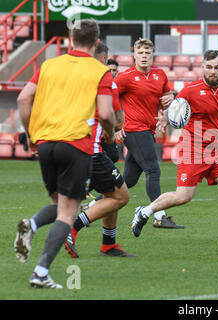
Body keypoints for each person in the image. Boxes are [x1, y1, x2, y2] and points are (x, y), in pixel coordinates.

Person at [14, 19, 115, 288]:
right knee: (67, 214)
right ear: (96, 43)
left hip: (46, 143)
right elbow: (105, 112)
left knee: (61, 204)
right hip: (75, 144)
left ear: (71, 40)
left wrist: (32, 135)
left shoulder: (49, 64)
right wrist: (111, 132)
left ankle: (32, 225)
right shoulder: (99, 70)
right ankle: (40, 272)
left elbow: (23, 98)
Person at [130, 49, 218, 246]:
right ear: (202, 67)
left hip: (215, 150)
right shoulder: (190, 90)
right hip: (192, 149)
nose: (213, 71)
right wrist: (166, 118)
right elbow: (175, 113)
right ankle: (144, 212)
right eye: (209, 67)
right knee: (183, 196)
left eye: (217, 67)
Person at [63, 41, 134, 258]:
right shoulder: (105, 80)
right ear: (104, 59)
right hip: (90, 151)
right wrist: (111, 129)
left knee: (111, 192)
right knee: (121, 197)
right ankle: (73, 226)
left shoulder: (73, 79)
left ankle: (108, 244)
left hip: (67, 147)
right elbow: (118, 121)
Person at [114, 38, 183, 229]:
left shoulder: (160, 75)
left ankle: (94, 206)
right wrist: (116, 125)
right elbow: (109, 97)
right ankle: (159, 216)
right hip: (134, 129)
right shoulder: (125, 77)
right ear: (134, 55)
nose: (144, 56)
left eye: (147, 53)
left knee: (129, 179)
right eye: (140, 52)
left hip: (148, 130)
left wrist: (170, 102)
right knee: (153, 170)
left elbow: (164, 102)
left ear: (153, 55)